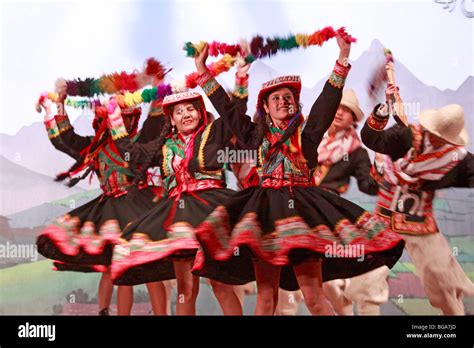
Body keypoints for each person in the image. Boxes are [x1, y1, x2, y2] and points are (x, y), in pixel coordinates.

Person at [192, 36, 405, 315]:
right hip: (265, 217)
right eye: (276, 98)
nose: (283, 101)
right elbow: (229, 110)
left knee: (314, 296)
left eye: (288, 98)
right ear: (265, 108)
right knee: (266, 299)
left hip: (303, 214)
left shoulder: (307, 137)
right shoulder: (255, 137)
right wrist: (202, 71)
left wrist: (342, 60)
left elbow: (326, 105)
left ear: (296, 105)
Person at [108, 88, 244, 315]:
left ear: (200, 113)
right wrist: (113, 113)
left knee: (220, 286)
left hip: (211, 212)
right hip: (179, 218)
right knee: (186, 288)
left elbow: (236, 112)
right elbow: (130, 153)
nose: (186, 115)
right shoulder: (163, 146)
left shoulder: (214, 134)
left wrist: (239, 78)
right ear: (171, 120)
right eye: (179, 112)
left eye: (191, 109)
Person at [36, 83, 166, 316]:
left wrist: (158, 90)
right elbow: (66, 139)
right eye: (117, 116)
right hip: (110, 209)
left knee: (149, 265)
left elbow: (155, 123)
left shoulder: (138, 144)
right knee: (115, 267)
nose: (122, 122)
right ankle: (105, 312)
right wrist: (57, 106)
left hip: (139, 206)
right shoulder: (95, 148)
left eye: (128, 118)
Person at [360, 84, 474, 315]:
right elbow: (372, 139)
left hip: (421, 225)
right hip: (384, 221)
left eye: (445, 139)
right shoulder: (405, 135)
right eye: (436, 135)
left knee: (444, 285)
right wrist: (383, 111)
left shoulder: (456, 160)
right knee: (365, 283)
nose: (439, 141)